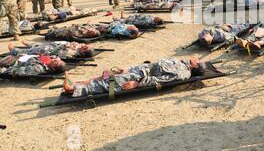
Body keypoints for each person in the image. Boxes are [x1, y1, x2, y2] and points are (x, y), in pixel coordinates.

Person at [63, 58, 212, 98]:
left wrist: (137, 84)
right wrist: (131, 68)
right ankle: (78, 83)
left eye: (197, 60)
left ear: (194, 65)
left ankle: (72, 89)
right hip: (142, 69)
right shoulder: (182, 62)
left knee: (111, 83)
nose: (195, 58)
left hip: (143, 76)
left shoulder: (183, 73)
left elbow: (159, 80)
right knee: (110, 74)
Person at [0, 53, 66, 78]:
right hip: (24, 56)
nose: (56, 60)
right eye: (59, 60)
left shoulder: (38, 68)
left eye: (57, 63)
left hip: (12, 63)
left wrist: (3, 70)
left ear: (53, 68)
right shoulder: (50, 61)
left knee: (8, 58)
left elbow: (18, 71)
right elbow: (55, 56)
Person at [8, 41, 94, 60]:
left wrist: (67, 47)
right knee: (40, 45)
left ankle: (14, 51)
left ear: (83, 52)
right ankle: (31, 45)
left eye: (85, 47)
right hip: (54, 46)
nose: (85, 45)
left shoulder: (72, 53)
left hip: (49, 50)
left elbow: (60, 54)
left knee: (33, 50)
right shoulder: (79, 48)